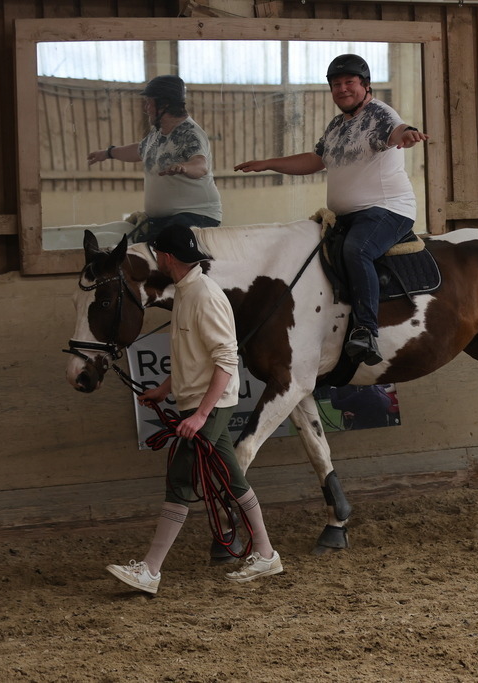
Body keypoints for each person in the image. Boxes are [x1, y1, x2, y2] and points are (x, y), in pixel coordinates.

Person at [105, 224, 282, 594]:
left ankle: (150, 569)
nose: (157, 258)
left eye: (158, 252)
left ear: (167, 257)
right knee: (233, 479)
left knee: (180, 481)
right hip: (198, 403)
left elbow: (226, 359)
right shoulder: (186, 292)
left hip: (208, 406)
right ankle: (266, 554)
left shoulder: (204, 296)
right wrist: (163, 390)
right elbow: (193, 356)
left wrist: (201, 415)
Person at [234, 54, 429, 366]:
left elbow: (398, 130)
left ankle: (366, 330)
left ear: (366, 86)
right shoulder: (337, 125)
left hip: (387, 211)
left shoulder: (380, 114)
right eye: (336, 84)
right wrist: (268, 163)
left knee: (357, 250)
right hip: (348, 217)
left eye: (349, 82)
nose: (342, 89)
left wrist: (409, 133)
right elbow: (316, 160)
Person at [87, 75, 222, 244]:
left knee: (163, 246)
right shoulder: (157, 134)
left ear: (164, 105)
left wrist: (184, 167)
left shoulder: (190, 133)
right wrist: (108, 153)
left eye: (149, 103)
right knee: (138, 247)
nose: (146, 108)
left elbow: (200, 165)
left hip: (196, 215)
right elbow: (139, 150)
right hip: (165, 219)